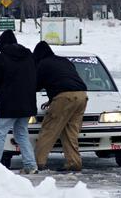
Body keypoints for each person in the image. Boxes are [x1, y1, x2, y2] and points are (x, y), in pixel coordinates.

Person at [0, 30, 38, 174]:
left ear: (1, 45)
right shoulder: (29, 56)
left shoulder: (1, 59)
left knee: (0, 133)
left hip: (9, 104)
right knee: (21, 133)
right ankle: (30, 165)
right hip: (27, 104)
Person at [33, 41, 88, 171]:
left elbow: (36, 85)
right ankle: (74, 163)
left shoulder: (43, 64)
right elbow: (65, 79)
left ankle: (37, 163)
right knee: (71, 133)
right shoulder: (64, 61)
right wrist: (52, 99)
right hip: (81, 96)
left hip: (64, 97)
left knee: (49, 130)